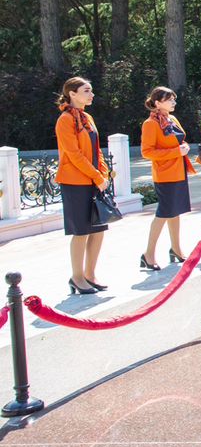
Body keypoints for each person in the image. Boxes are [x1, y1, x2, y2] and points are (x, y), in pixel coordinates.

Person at [55, 76, 110, 295]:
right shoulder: (65, 120)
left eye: (91, 90)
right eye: (86, 91)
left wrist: (103, 174)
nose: (91, 94)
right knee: (81, 231)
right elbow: (74, 154)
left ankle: (90, 274)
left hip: (94, 179)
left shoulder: (87, 117)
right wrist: (96, 176)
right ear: (72, 94)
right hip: (75, 182)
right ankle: (77, 277)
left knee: (98, 229)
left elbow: (97, 150)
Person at [139, 86, 195, 271]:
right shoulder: (150, 124)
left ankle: (176, 249)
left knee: (175, 211)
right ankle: (148, 254)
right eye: (169, 99)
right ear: (157, 103)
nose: (173, 102)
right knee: (163, 213)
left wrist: (183, 147)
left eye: (173, 99)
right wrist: (176, 151)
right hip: (164, 174)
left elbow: (178, 139)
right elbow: (147, 152)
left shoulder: (172, 119)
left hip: (179, 171)